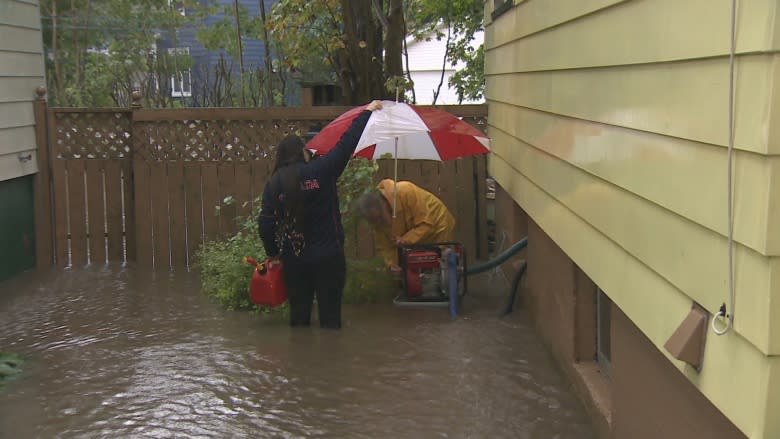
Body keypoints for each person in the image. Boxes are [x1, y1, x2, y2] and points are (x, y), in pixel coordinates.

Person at [258, 99, 383, 329]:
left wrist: (274, 254)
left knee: (298, 320)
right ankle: (330, 361)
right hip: (329, 258)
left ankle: (300, 363)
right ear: (301, 153)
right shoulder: (321, 171)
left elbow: (265, 226)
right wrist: (366, 113)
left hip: (294, 261)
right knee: (331, 321)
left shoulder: (273, 185)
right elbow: (346, 144)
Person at [357, 179, 455, 272]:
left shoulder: (406, 191)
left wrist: (405, 239)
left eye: (379, 217)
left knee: (440, 265)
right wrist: (391, 264)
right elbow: (385, 247)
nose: (379, 223)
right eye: (374, 221)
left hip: (438, 225)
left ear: (384, 205)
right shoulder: (377, 222)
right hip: (414, 237)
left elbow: (426, 224)